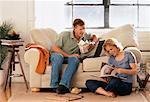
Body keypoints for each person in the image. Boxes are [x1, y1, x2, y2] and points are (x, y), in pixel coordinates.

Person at [50, 18, 99, 94]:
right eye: (80, 29)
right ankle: (54, 85)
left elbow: (94, 37)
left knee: (75, 59)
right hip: (58, 54)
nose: (82, 31)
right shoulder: (64, 35)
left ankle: (63, 86)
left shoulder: (84, 36)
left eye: (83, 28)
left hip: (70, 57)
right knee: (59, 57)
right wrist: (69, 55)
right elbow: (54, 47)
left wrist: (92, 43)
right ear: (74, 28)